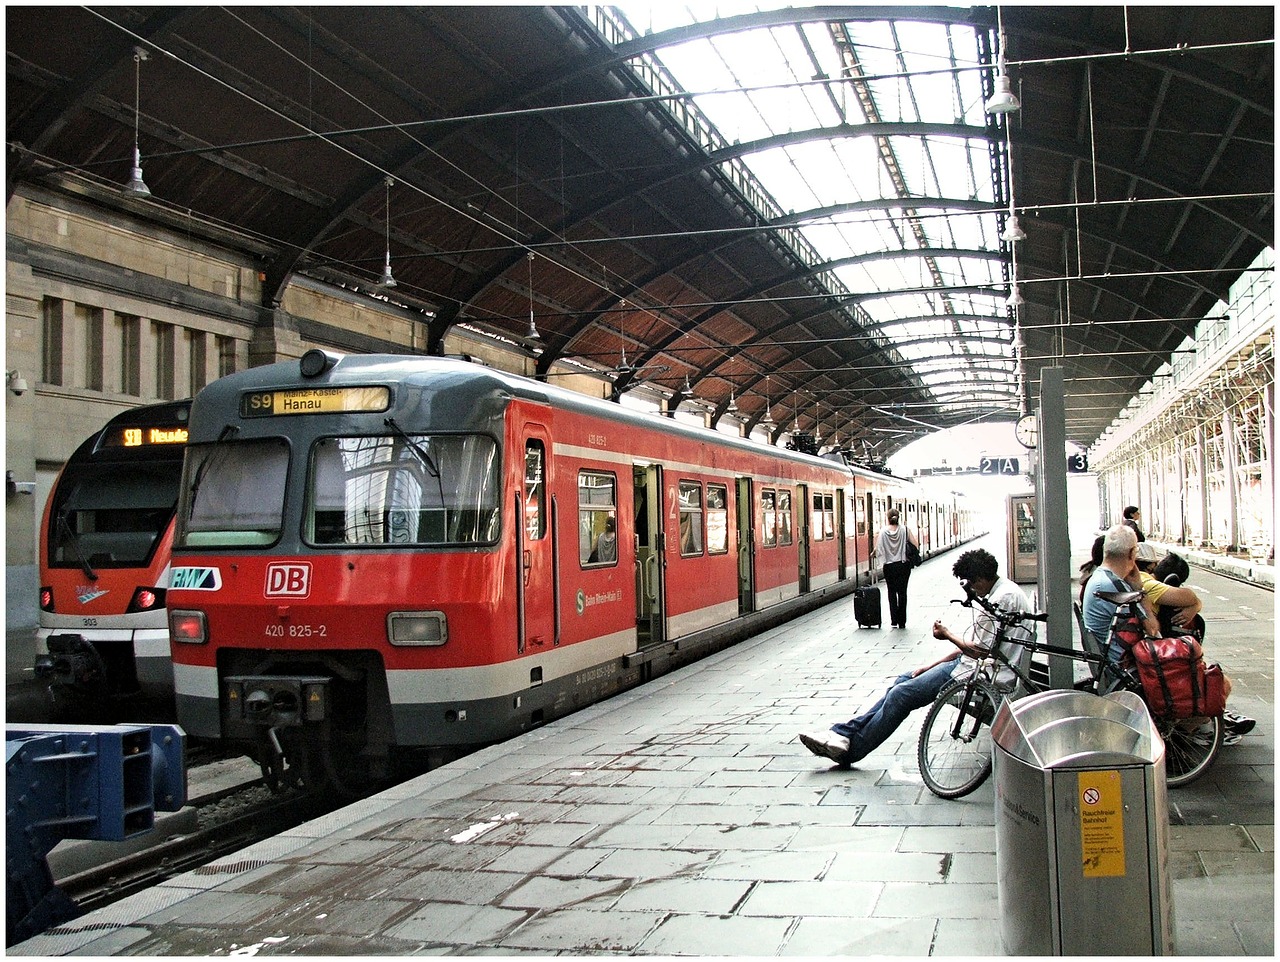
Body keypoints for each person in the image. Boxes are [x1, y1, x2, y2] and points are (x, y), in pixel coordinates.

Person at [798, 548, 1033, 766]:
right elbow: (975, 647)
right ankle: (843, 733)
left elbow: (978, 650)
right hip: (975, 665)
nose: (970, 592)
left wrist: (947, 634)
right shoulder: (1003, 590)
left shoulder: (1001, 599)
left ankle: (851, 750)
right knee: (904, 679)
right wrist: (929, 665)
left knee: (901, 695)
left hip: (981, 673)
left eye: (969, 585)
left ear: (979, 579)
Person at [874, 508, 918, 629]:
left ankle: (894, 620)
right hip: (903, 565)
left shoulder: (883, 532)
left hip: (889, 566)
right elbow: (915, 544)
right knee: (902, 593)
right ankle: (902, 622)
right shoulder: (905, 530)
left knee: (891, 593)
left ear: (887, 518)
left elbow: (878, 550)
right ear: (899, 517)